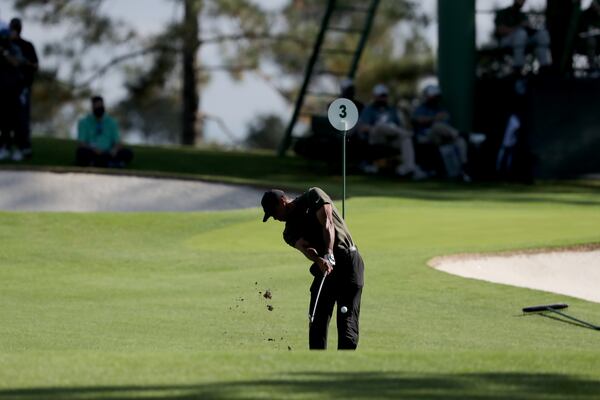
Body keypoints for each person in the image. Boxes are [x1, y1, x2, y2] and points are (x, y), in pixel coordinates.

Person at [261, 187, 364, 350]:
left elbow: (327, 222)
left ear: (282, 201)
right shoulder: (289, 232)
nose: (274, 218)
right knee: (316, 320)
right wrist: (318, 260)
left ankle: (345, 366)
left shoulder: (313, 196)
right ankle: (317, 363)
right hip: (324, 268)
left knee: (347, 321)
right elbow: (306, 249)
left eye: (274, 213)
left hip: (347, 262)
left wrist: (329, 253)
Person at [357, 84, 426, 179]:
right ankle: (404, 133)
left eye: (384, 96)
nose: (382, 98)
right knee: (381, 126)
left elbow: (398, 125)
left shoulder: (392, 110)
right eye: (380, 96)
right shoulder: (369, 109)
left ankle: (408, 168)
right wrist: (377, 128)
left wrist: (393, 129)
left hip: (391, 138)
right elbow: (363, 127)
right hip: (376, 138)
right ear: (375, 96)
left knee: (406, 139)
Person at [412, 85, 470, 181]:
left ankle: (464, 168)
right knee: (436, 126)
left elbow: (446, 124)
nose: (434, 98)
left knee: (460, 141)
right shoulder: (420, 109)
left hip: (441, 138)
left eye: (436, 96)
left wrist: (434, 119)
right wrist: (434, 119)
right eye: (432, 96)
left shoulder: (441, 110)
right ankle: (460, 133)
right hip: (425, 137)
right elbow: (418, 120)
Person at [494, 0, 552, 73]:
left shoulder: (522, 15)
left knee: (542, 33)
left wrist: (530, 29)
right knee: (521, 33)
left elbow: (526, 29)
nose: (522, 2)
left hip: (522, 40)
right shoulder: (503, 12)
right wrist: (519, 27)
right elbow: (500, 30)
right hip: (506, 41)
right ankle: (518, 67)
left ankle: (544, 66)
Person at [76, 96, 133, 167]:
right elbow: (81, 143)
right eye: (97, 106)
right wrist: (94, 149)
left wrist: (114, 150)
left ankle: (98, 163)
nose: (99, 108)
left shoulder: (111, 122)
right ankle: (112, 163)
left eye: (101, 105)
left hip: (109, 152)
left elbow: (117, 142)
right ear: (92, 107)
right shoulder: (84, 122)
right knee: (81, 152)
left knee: (127, 153)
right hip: (93, 152)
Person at [9, 18, 38, 158]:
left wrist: (23, 62)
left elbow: (35, 65)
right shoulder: (5, 45)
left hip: (23, 88)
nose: (14, 30)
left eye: (16, 27)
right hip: (6, 89)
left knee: (22, 119)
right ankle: (6, 146)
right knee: (6, 120)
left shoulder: (27, 46)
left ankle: (23, 147)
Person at [0, 20, 24, 161]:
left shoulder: (14, 48)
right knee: (3, 123)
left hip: (14, 90)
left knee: (16, 122)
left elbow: (17, 62)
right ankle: (4, 147)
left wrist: (5, 53)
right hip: (1, 91)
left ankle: (19, 149)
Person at [578, 0, 600, 72]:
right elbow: (582, 30)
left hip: (597, 38)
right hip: (584, 40)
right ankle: (592, 65)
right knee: (591, 41)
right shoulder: (585, 14)